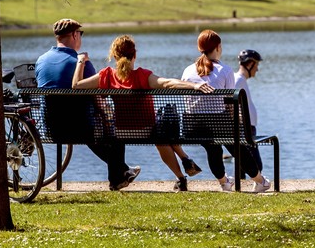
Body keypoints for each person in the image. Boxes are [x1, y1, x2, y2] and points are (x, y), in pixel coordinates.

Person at [72, 35, 212, 192]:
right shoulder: (142, 75)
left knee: (160, 131)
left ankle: (183, 165)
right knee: (164, 127)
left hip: (121, 133)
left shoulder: (107, 75)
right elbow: (167, 83)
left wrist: (81, 61)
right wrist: (194, 85)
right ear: (135, 55)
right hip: (147, 131)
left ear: (114, 56)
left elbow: (76, 85)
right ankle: (181, 174)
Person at [35, 19, 141, 191]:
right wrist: (108, 115)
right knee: (112, 130)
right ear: (75, 35)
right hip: (80, 128)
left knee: (95, 129)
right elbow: (97, 99)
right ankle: (118, 175)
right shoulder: (82, 63)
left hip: (51, 128)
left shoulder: (41, 60)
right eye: (80, 34)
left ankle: (122, 172)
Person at [181, 29, 271, 193]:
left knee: (212, 148)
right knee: (237, 146)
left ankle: (224, 183)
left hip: (192, 127)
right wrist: (239, 123)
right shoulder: (225, 70)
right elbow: (230, 104)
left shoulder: (188, 70)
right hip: (218, 124)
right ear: (218, 47)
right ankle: (260, 181)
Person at [234, 49, 264, 171]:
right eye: (256, 65)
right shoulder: (238, 80)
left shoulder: (240, 80)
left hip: (247, 128)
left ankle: (241, 186)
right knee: (256, 166)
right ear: (250, 64)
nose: (257, 69)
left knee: (246, 164)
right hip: (244, 129)